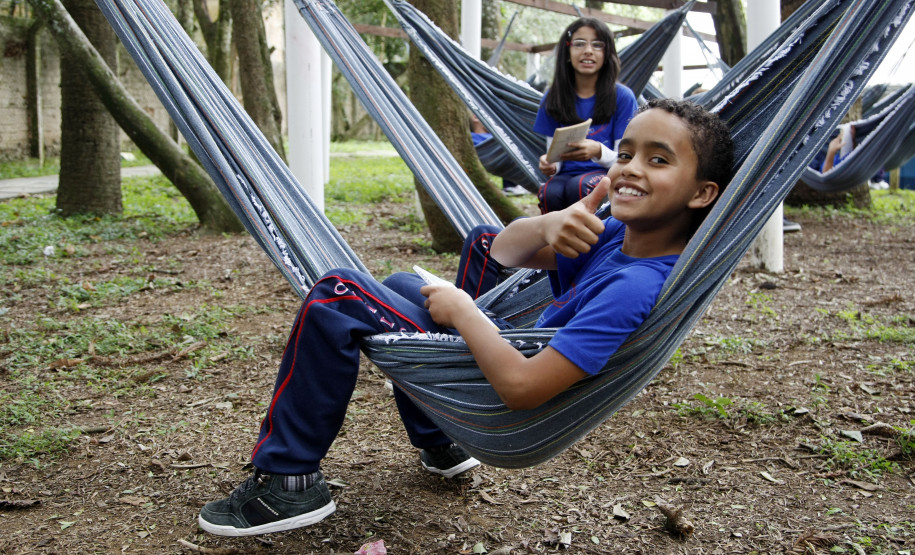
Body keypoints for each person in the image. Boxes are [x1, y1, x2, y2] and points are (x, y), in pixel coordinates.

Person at [196, 98, 734, 537]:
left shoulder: (634, 287)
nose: (630, 170)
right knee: (411, 284)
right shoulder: (618, 233)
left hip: (505, 401)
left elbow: (523, 389)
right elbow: (503, 249)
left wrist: (466, 311)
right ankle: (440, 441)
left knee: (337, 295)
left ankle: (287, 485)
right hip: (499, 358)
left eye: (658, 160)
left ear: (703, 192)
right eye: (625, 153)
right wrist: (548, 226)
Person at [534, 17, 638, 214]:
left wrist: (598, 150)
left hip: (605, 173)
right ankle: (554, 244)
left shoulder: (622, 97)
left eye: (597, 45)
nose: (588, 50)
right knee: (549, 193)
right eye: (579, 44)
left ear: (607, 53)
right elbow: (554, 158)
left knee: (579, 187)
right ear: (567, 52)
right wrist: (549, 164)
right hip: (564, 175)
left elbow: (625, 159)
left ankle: (591, 242)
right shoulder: (552, 97)